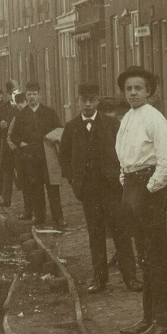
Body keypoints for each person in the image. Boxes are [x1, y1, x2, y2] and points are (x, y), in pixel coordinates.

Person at [59, 83, 140, 294]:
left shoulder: (111, 124)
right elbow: (64, 157)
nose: (87, 104)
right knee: (95, 234)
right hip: (88, 191)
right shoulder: (71, 127)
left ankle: (130, 277)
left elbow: (125, 151)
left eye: (91, 99)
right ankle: (99, 279)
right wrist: (74, 181)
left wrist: (120, 177)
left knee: (120, 232)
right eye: (83, 100)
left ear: (97, 101)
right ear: (78, 101)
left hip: (112, 189)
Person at [115, 66, 167, 334]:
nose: (133, 93)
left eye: (138, 88)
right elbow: (124, 157)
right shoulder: (127, 118)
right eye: (128, 89)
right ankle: (148, 317)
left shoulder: (155, 119)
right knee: (144, 255)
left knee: (156, 255)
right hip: (132, 186)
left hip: (149, 187)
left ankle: (164, 321)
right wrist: (125, 179)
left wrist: (150, 188)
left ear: (148, 91)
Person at [9, 82, 65, 228]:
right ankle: (39, 216)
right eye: (29, 95)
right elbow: (14, 135)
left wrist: (52, 137)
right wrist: (21, 143)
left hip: (48, 154)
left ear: (40, 95)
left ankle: (58, 218)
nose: (32, 97)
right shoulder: (21, 115)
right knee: (35, 187)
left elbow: (59, 128)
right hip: (30, 157)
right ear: (26, 96)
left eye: (34, 94)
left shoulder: (49, 112)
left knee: (52, 187)